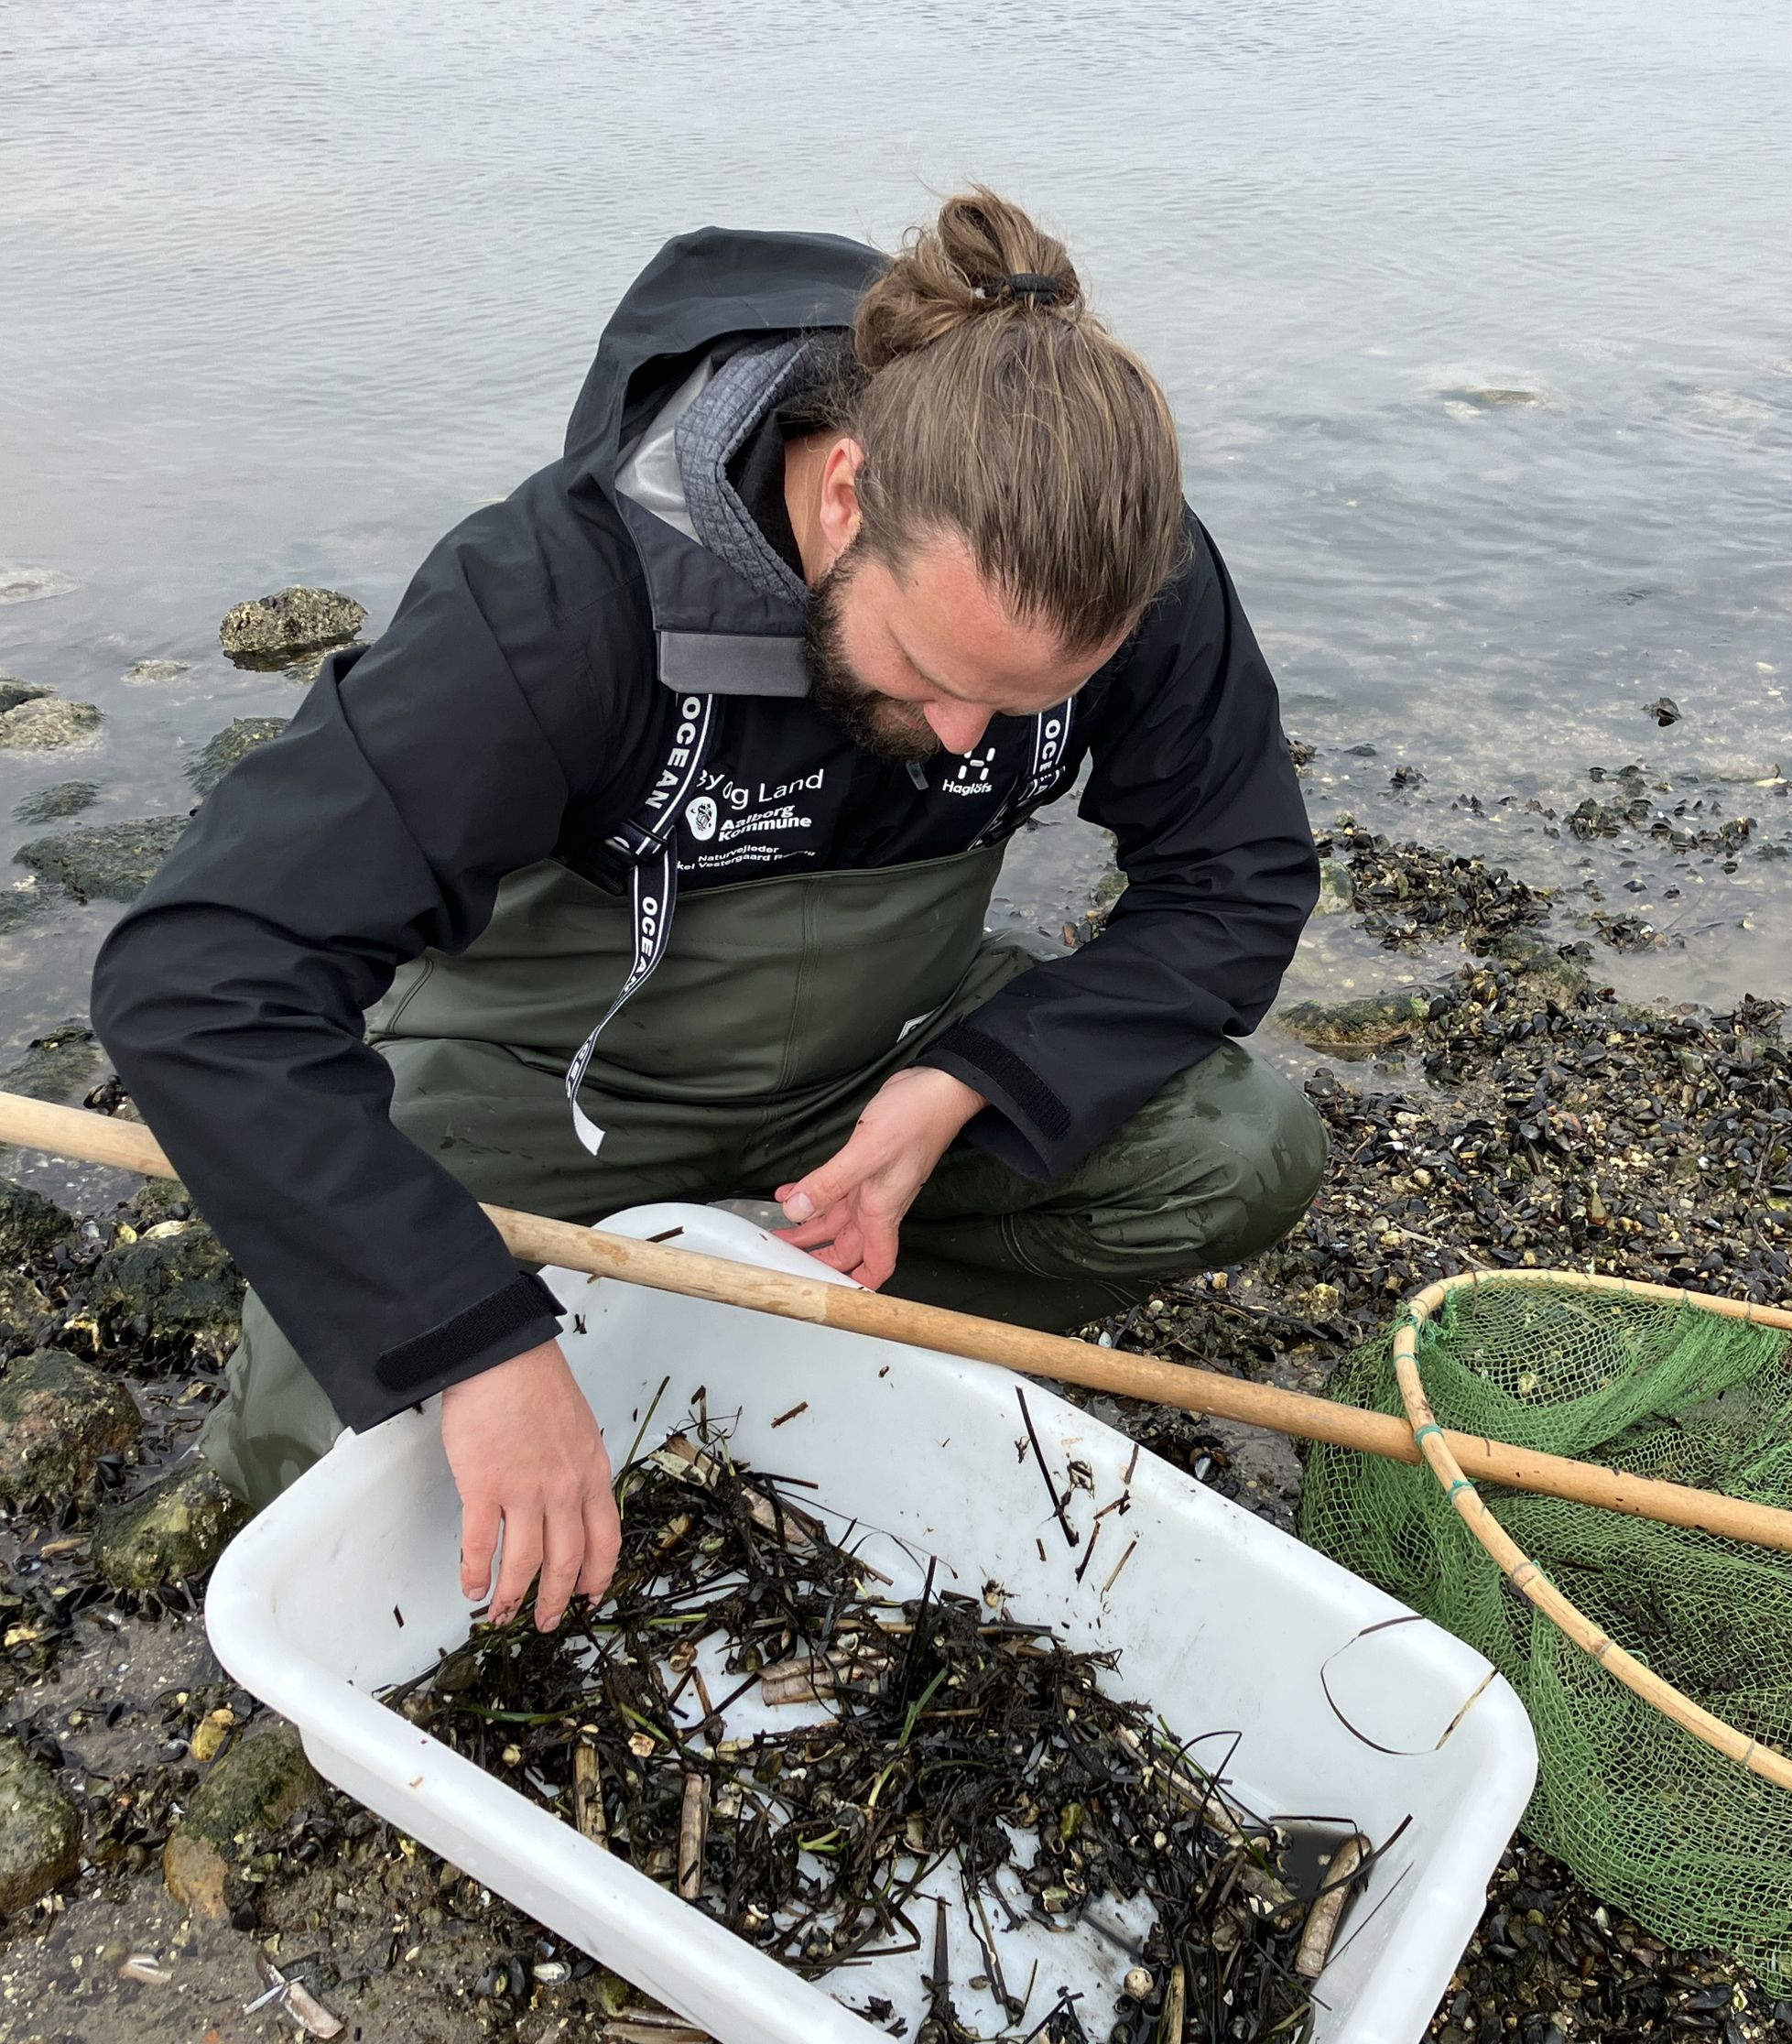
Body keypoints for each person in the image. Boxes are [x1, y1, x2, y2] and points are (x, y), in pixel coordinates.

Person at [92, 190, 1324, 1636]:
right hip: (552, 1083)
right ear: (847, 492)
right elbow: (202, 976)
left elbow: (1236, 877)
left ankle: (756, 1333)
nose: (964, 739)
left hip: (887, 1063)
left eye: (1024, 706)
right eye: (934, 674)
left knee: (1238, 1151)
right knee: (342, 1458)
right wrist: (472, 1341)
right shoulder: (557, 601)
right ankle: (584, 1332)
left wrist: (966, 1084)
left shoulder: (1121, 567)